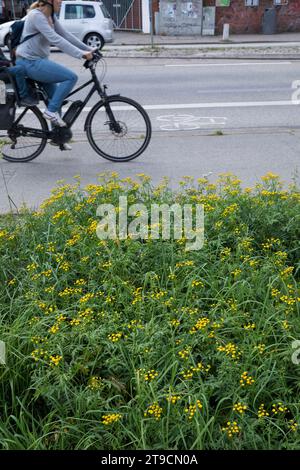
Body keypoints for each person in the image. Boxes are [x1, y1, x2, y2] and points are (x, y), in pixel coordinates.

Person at [15, 0, 95, 131]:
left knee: (56, 99)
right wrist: (81, 54)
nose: (61, 1)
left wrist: (88, 49)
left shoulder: (51, 16)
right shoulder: (36, 16)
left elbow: (65, 35)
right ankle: (50, 112)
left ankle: (57, 136)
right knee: (70, 77)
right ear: (48, 1)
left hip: (38, 61)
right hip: (28, 62)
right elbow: (55, 39)